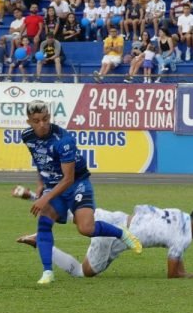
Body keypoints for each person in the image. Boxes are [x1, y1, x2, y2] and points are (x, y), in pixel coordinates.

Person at [21, 100, 142, 284]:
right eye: (37, 120)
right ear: (29, 121)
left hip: (77, 183)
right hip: (54, 184)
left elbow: (68, 178)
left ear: (50, 117)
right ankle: (48, 273)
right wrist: (40, 183)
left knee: (86, 229)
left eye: (45, 119)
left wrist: (45, 196)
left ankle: (121, 233)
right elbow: (40, 160)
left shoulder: (64, 141)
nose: (42, 124)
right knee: (44, 222)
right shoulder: (27, 136)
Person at [15, 201, 193, 279]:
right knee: (81, 272)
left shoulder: (178, 212)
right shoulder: (185, 236)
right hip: (116, 236)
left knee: (76, 216)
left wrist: (184, 270)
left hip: (116, 217)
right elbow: (172, 273)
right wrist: (192, 276)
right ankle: (41, 241)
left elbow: (140, 207)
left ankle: (37, 198)